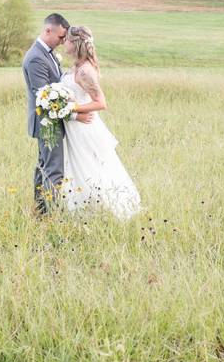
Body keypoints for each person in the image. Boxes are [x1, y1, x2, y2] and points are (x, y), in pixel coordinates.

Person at [59, 25, 141, 219]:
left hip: (83, 126)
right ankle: (77, 208)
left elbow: (101, 103)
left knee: (88, 166)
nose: (65, 43)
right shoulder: (77, 65)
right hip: (74, 125)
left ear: (76, 43)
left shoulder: (86, 70)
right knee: (74, 165)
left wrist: (71, 109)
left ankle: (98, 210)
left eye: (68, 41)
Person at [21, 13, 93, 215]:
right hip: (47, 123)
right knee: (54, 170)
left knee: (44, 166)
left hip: (52, 120)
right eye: (61, 37)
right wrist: (74, 115)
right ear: (48, 30)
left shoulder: (48, 53)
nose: (63, 42)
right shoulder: (36, 58)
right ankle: (48, 214)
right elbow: (44, 97)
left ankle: (41, 209)